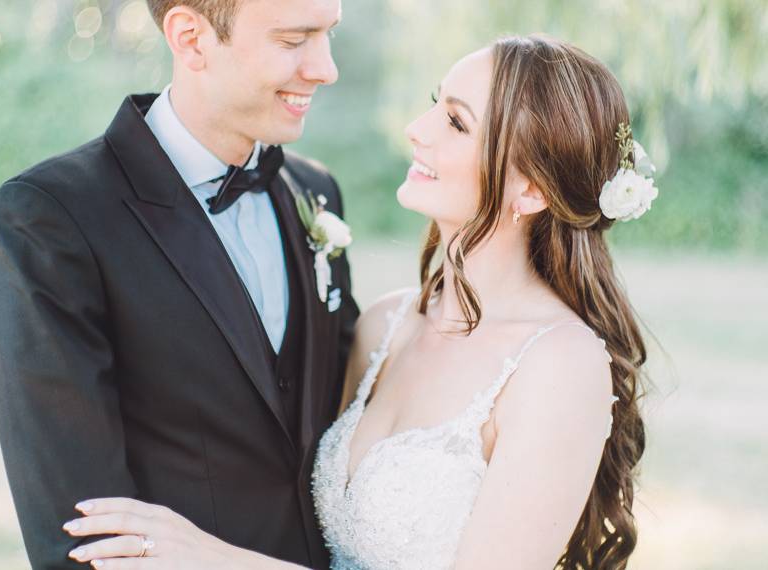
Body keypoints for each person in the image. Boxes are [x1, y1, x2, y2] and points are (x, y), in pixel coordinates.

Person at [63, 35, 651, 570]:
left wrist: (214, 561)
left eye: (455, 122)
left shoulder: (559, 365)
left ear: (532, 188)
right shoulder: (385, 326)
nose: (418, 129)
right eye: (433, 103)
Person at [0, 0, 357, 569]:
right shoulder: (51, 219)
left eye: (327, 35)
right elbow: (84, 538)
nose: (326, 68)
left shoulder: (316, 191)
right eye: (293, 40)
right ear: (190, 37)